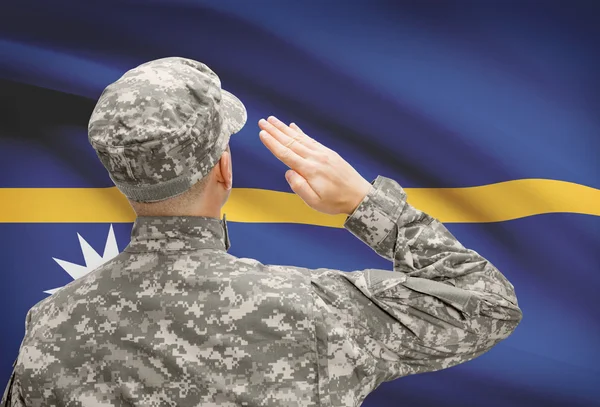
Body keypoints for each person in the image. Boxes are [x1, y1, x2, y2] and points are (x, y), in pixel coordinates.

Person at [1, 57, 522, 407]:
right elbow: (488, 304)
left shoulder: (49, 326)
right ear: (224, 168)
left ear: (120, 175)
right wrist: (367, 205)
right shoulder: (317, 311)